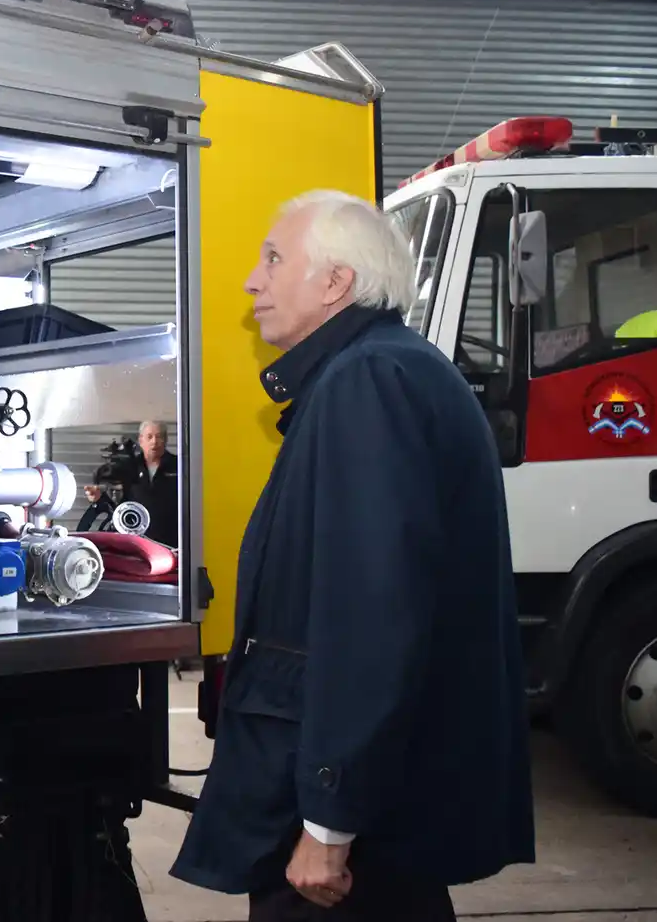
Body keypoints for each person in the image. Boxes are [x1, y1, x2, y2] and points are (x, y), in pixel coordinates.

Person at [171, 189, 534, 921]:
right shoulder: (392, 369)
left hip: (347, 820)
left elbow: (372, 616)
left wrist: (328, 823)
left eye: (274, 258)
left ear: (336, 282)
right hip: (383, 802)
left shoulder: (366, 382)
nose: (252, 279)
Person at [81, 420, 180, 548]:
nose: (154, 442)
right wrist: (99, 498)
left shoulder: (179, 466)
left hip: (171, 543)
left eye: (159, 436)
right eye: (149, 437)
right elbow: (117, 506)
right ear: (141, 440)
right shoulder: (128, 466)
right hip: (136, 543)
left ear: (166, 440)